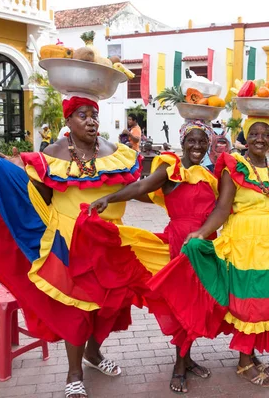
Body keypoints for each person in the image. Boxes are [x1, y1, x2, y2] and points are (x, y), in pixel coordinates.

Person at [0, 95, 171, 398]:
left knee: (111, 307)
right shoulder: (53, 155)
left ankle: (94, 354)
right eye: (82, 115)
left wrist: (172, 191)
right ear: (68, 122)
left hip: (113, 242)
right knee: (76, 309)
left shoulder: (117, 153)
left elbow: (134, 189)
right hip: (68, 244)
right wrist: (6, 167)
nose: (91, 121)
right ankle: (74, 374)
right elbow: (38, 196)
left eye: (94, 115)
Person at [148, 116, 269, 388]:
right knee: (243, 301)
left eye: (266, 133)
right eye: (254, 133)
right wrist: (201, 233)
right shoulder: (233, 167)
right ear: (246, 139)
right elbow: (222, 208)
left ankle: (249, 354)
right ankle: (242, 360)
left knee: (264, 302)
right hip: (243, 246)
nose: (260, 138)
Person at [88, 119, 217, 394]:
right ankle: (179, 366)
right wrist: (109, 199)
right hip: (179, 247)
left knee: (197, 305)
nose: (196, 146)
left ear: (209, 144)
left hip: (206, 248)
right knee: (184, 305)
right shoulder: (170, 169)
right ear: (182, 142)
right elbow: (139, 187)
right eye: (191, 141)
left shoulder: (211, 174)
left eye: (202, 141)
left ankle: (187, 358)